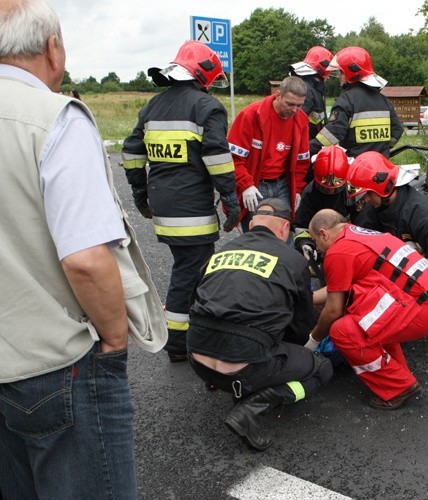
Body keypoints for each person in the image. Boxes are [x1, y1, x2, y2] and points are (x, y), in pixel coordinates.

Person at [0, 0, 167, 497]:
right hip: (56, 364)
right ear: (53, 49)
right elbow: (86, 259)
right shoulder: (56, 120)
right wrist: (114, 339)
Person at [122, 40, 240, 363]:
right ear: (204, 76)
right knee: (190, 271)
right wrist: (230, 199)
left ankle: (189, 331)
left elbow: (131, 152)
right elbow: (217, 157)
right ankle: (177, 342)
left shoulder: (152, 108)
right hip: (192, 212)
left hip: (163, 208)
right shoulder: (208, 108)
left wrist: (140, 193)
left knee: (190, 268)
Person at [187, 199, 333, 451]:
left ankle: (221, 381)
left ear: (251, 225)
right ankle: (253, 407)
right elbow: (302, 324)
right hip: (245, 368)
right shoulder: (292, 260)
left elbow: (194, 302)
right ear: (284, 229)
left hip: (197, 362)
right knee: (322, 369)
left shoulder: (219, 253)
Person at [305, 210, 428, 410]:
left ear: (323, 233)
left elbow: (333, 309)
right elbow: (336, 289)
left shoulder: (338, 252)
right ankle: (397, 373)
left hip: (421, 308)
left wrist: (313, 341)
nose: (318, 249)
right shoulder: (360, 234)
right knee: (367, 319)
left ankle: (399, 387)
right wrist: (309, 299)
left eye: (315, 241)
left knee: (343, 330)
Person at [345, 151, 428, 346]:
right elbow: (364, 239)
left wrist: (412, 289)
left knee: (420, 297)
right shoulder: (377, 206)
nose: (366, 199)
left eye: (368, 193)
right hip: (412, 260)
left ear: (384, 188)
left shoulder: (421, 212)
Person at [228, 76, 311, 231]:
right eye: (290, 104)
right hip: (256, 185)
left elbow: (301, 162)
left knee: (283, 234)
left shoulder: (301, 121)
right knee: (256, 235)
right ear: (278, 94)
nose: (294, 110)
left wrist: (297, 189)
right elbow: (233, 159)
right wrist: (246, 185)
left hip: (282, 185)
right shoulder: (250, 116)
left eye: (299, 105)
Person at [309, 46, 403, 159]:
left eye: (341, 73)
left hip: (355, 167)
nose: (338, 76)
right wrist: (384, 148)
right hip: (382, 165)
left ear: (352, 73)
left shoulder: (346, 100)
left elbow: (332, 134)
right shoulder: (384, 100)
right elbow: (398, 129)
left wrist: (308, 149)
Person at [293, 145, 375, 258]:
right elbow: (301, 225)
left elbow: (363, 225)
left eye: (335, 189)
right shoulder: (310, 193)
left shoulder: (354, 190)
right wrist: (305, 243)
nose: (330, 192)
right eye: (325, 189)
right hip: (320, 245)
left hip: (350, 244)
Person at [289, 46, 333, 142]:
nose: (329, 77)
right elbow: (297, 123)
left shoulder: (314, 89)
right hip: (306, 145)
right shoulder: (307, 91)